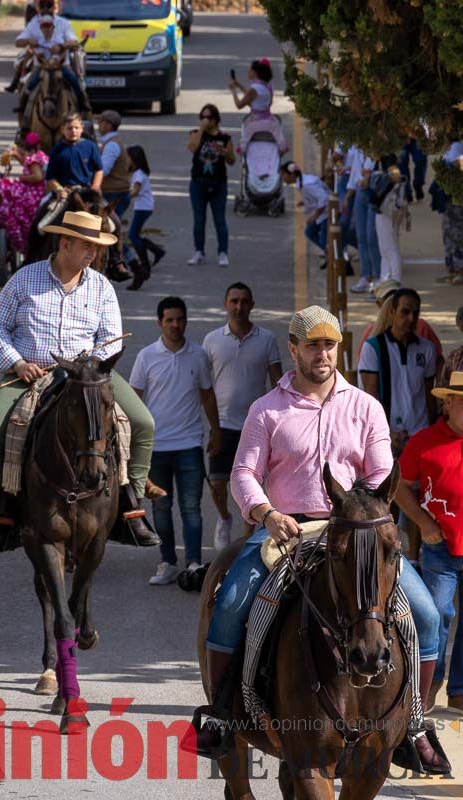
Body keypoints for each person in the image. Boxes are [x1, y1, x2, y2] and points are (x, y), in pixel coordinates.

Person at [193, 305, 450, 775]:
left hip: (354, 533)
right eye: (312, 345)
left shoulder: (364, 407)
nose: (322, 354)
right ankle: (225, 714)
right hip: (287, 528)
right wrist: (266, 513)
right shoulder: (266, 409)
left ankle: (413, 723)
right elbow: (244, 473)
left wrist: (366, 513)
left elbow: (379, 474)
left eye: (329, 345)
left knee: (427, 616)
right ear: (293, 349)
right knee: (230, 602)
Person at [0, 210, 160, 552]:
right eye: (86, 245)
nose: (93, 253)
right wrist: (17, 364)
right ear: (65, 243)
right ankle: (1, 511)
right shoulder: (24, 279)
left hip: (86, 375)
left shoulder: (101, 286)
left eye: (96, 247)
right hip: (32, 373)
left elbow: (112, 339)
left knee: (142, 422)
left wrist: (90, 365)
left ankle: (131, 506)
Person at [131, 297, 221, 585]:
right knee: (160, 508)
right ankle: (167, 562)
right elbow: (134, 398)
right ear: (160, 323)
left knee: (191, 507)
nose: (175, 325)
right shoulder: (146, 356)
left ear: (186, 321)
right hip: (156, 448)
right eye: (169, 320)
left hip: (190, 445)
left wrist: (216, 431)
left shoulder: (198, 355)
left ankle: (193, 562)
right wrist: (133, 441)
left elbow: (207, 394)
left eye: (180, 319)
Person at [396, 372, 463, 714]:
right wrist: (423, 523)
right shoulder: (423, 442)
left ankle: (460, 691)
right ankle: (428, 686)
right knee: (436, 614)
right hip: (440, 547)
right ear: (448, 402)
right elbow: (398, 486)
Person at [201, 283, 282, 552]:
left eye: (244, 301)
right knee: (217, 483)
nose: (239, 307)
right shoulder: (212, 340)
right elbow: (205, 385)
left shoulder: (267, 339)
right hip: (223, 425)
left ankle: (246, 542)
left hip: (256, 426)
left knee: (254, 484)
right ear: (225, 304)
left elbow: (277, 382)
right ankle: (224, 518)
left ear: (252, 305)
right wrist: (212, 428)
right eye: (234, 301)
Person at [359, 288, 437, 453]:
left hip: (420, 435)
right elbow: (371, 398)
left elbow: (430, 395)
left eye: (416, 313)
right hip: (387, 437)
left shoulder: (427, 349)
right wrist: (385, 433)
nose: (411, 318)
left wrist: (432, 432)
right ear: (393, 312)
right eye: (405, 312)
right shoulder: (373, 348)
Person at [11, 11, 89, 115]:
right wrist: (29, 42)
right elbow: (19, 43)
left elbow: (75, 44)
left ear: (53, 27)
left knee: (75, 82)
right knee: (29, 85)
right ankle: (23, 109)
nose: (46, 28)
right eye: (43, 26)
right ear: (40, 28)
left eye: (48, 26)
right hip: (42, 68)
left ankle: (84, 106)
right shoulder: (37, 38)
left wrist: (61, 47)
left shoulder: (60, 34)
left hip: (61, 67)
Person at [0, 131, 49, 256]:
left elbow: (37, 176)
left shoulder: (34, 159)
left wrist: (21, 178)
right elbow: (28, 164)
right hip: (39, 190)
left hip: (34, 192)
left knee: (2, 188)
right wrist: (16, 156)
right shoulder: (40, 156)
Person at [187, 104, 234, 267]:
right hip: (198, 183)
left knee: (219, 219)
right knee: (199, 219)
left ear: (216, 119)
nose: (205, 121)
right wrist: (201, 129)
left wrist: (224, 152)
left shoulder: (225, 138)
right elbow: (192, 148)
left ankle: (223, 252)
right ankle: (198, 251)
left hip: (218, 184)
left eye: (209, 118)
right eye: (202, 117)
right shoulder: (195, 134)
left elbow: (232, 161)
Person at [359, 280, 443, 371]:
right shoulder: (371, 336)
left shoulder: (422, 326)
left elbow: (438, 358)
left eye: (396, 295)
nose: (392, 299)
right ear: (379, 303)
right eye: (387, 297)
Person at [125, 144, 165, 291]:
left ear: (134, 159)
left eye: (128, 158)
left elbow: (135, 191)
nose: (126, 161)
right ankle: (156, 251)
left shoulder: (138, 174)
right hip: (144, 206)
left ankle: (144, 262)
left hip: (143, 207)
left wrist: (123, 197)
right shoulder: (138, 172)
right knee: (135, 235)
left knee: (132, 236)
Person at [227, 58, 287, 155]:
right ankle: (283, 147)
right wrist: (239, 85)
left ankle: (241, 149)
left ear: (254, 72)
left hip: (255, 121)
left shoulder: (254, 89)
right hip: (269, 119)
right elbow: (251, 96)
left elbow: (239, 105)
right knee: (278, 134)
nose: (247, 71)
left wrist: (233, 90)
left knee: (245, 136)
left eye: (249, 69)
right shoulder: (267, 86)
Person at [370, 156, 411, 284]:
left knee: (391, 249)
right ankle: (385, 281)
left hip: (388, 214)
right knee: (385, 250)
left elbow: (378, 196)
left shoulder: (392, 173)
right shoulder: (395, 172)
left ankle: (395, 282)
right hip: (388, 213)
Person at [279, 162, 329, 270]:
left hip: (327, 213)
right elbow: (315, 196)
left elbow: (324, 198)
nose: (282, 178)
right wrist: (305, 202)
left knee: (325, 240)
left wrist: (314, 216)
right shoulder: (303, 182)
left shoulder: (307, 185)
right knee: (310, 232)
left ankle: (337, 260)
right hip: (323, 212)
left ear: (292, 175)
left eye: (283, 175)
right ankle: (328, 253)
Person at [347, 148, 380, 294]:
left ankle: (378, 277)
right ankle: (365, 277)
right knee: (361, 237)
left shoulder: (379, 150)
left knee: (372, 237)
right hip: (360, 193)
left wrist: (370, 177)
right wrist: (347, 197)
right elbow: (355, 174)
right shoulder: (360, 151)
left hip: (374, 193)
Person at [45, 113, 104, 192]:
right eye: (69, 128)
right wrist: (59, 189)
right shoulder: (57, 150)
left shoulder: (91, 146)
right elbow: (50, 177)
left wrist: (96, 185)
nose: (73, 131)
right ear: (62, 129)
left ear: (82, 128)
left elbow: (99, 169)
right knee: (45, 204)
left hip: (87, 190)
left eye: (76, 128)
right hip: (65, 191)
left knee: (105, 204)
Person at [438, 138, 463, 285]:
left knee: (457, 235)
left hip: (456, 201)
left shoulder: (456, 146)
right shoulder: (451, 147)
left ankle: (459, 271)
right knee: (448, 234)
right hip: (449, 201)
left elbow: (459, 163)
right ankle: (453, 270)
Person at [399, 138, 428, 202]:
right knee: (402, 165)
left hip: (412, 134)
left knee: (421, 161)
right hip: (402, 135)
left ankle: (414, 187)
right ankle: (408, 190)